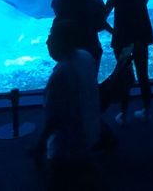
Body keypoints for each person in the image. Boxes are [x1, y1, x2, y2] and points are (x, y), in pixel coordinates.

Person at [38, 18, 101, 191]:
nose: (47, 42)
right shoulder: (86, 57)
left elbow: (53, 117)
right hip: (89, 131)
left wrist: (40, 144)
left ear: (62, 41)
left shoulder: (61, 73)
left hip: (65, 145)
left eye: (51, 37)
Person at [103, 0, 153, 124]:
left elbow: (102, 18)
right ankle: (146, 111)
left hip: (122, 41)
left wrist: (113, 32)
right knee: (143, 75)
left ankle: (124, 114)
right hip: (140, 40)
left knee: (123, 77)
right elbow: (144, 0)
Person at [51, 0, 108, 66]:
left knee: (68, 71)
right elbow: (101, 23)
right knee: (89, 72)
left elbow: (57, 13)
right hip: (89, 42)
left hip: (65, 42)